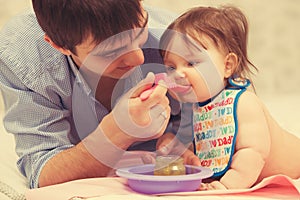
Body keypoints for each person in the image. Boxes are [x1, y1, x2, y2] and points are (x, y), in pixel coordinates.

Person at [0, 0, 198, 189]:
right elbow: (43, 172)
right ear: (59, 46)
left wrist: (180, 140)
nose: (138, 57)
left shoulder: (183, 39)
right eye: (111, 52)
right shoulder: (23, 57)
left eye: (140, 31)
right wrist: (116, 134)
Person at [157, 5, 300, 189]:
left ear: (228, 66)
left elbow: (253, 153)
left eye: (191, 63)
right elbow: (206, 145)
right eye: (171, 67)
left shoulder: (244, 104)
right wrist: (181, 152)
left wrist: (227, 186)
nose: (178, 73)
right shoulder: (197, 108)